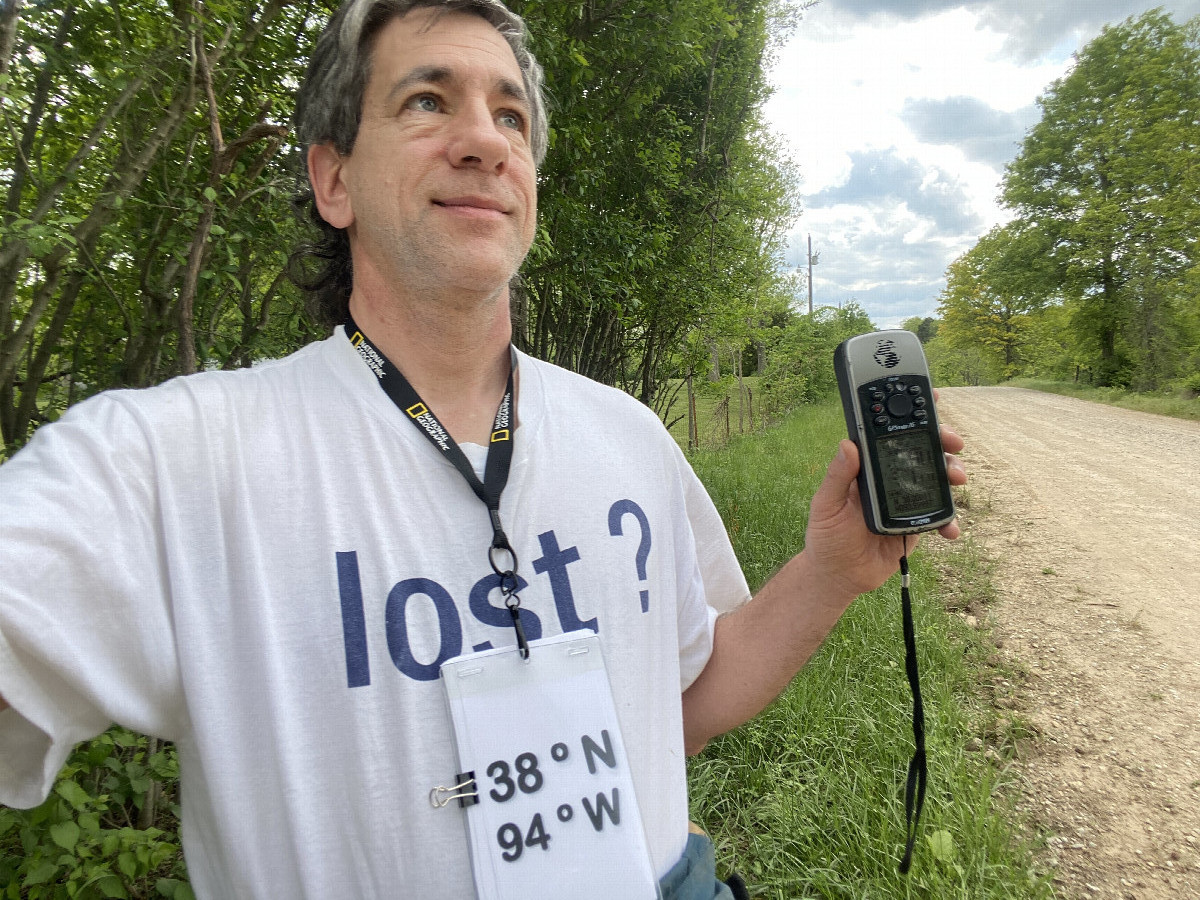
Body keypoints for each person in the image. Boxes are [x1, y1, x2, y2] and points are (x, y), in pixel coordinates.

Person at [0, 0, 966, 897]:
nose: (483, 142)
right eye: (427, 101)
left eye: (511, 116)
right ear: (332, 177)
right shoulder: (172, 462)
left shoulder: (624, 434)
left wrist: (832, 571)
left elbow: (677, 703)